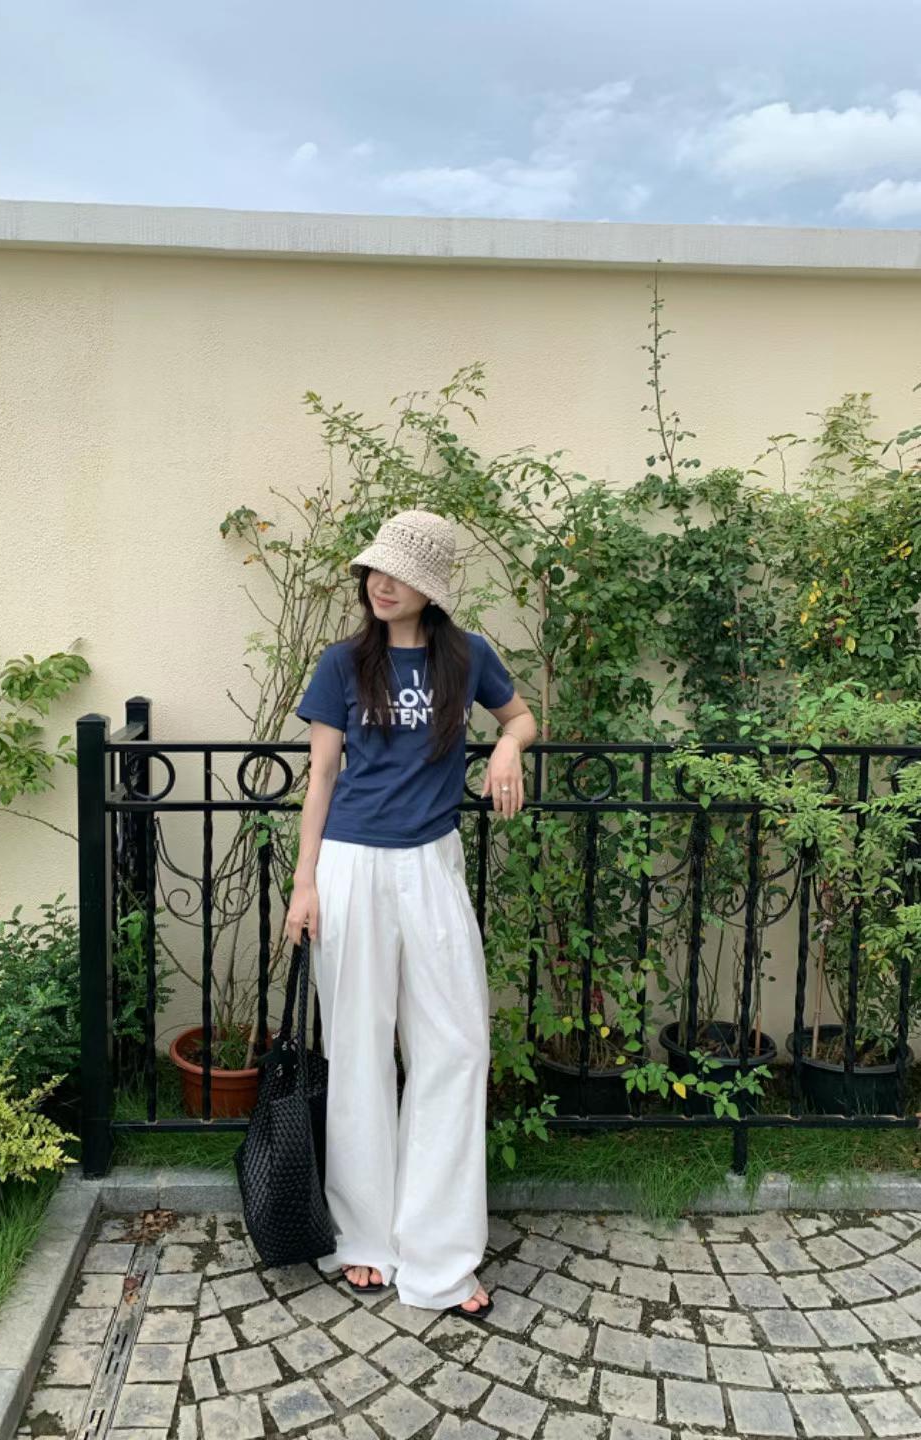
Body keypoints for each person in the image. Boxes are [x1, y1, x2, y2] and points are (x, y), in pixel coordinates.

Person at [285, 508, 537, 1320]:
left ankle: (440, 1258)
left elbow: (520, 714)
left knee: (455, 1047)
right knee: (358, 1048)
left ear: (431, 587)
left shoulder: (467, 657)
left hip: (431, 863)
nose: (381, 584)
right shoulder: (342, 663)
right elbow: (322, 777)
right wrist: (304, 882)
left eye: (399, 573)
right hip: (351, 866)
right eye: (375, 571)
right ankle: (365, 1237)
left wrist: (508, 746)